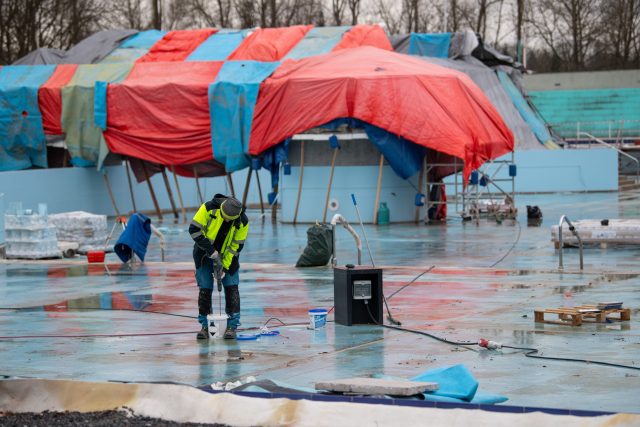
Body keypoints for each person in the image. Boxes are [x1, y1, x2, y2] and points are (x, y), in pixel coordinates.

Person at [189, 194, 249, 340]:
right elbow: (194, 230)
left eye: (230, 218)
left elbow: (236, 246)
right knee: (205, 288)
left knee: (231, 287)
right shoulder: (208, 208)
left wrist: (225, 267)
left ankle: (231, 326)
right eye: (225, 216)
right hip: (204, 254)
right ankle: (205, 326)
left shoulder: (242, 221)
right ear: (222, 208)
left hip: (229, 257)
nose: (227, 220)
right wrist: (212, 252)